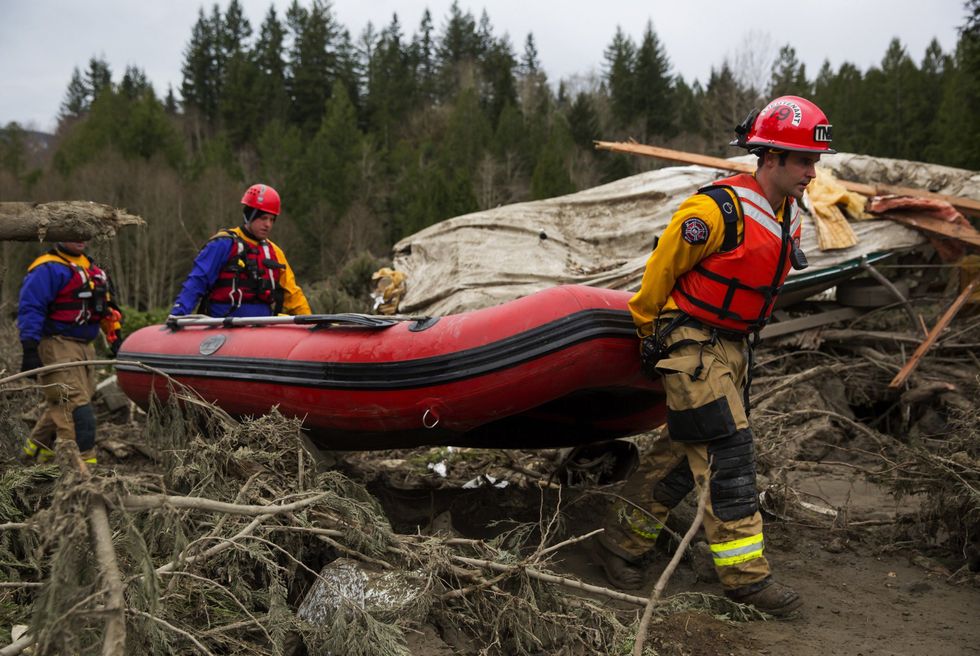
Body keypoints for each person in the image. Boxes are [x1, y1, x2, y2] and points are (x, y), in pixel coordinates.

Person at [590, 96, 835, 616]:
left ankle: (619, 542)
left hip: (732, 347)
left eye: (815, 161)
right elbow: (658, 273)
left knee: (678, 455)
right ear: (769, 158)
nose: (813, 172)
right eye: (803, 161)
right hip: (691, 345)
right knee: (729, 454)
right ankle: (746, 579)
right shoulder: (714, 211)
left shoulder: (788, 215)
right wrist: (648, 331)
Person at [18, 241, 124, 465]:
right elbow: (31, 309)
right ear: (59, 235)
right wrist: (29, 349)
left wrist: (115, 338)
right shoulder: (47, 269)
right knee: (76, 408)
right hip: (56, 345)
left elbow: (107, 309)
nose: (79, 238)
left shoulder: (93, 270)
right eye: (72, 233)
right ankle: (80, 469)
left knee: (64, 403)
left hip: (86, 346)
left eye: (83, 233)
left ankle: (29, 456)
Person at [168, 183, 311, 320]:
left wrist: (310, 322)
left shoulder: (275, 252)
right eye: (263, 218)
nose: (268, 224)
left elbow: (293, 294)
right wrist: (178, 314)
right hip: (224, 326)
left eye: (272, 219)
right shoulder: (223, 244)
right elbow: (197, 281)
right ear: (249, 215)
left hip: (263, 328)